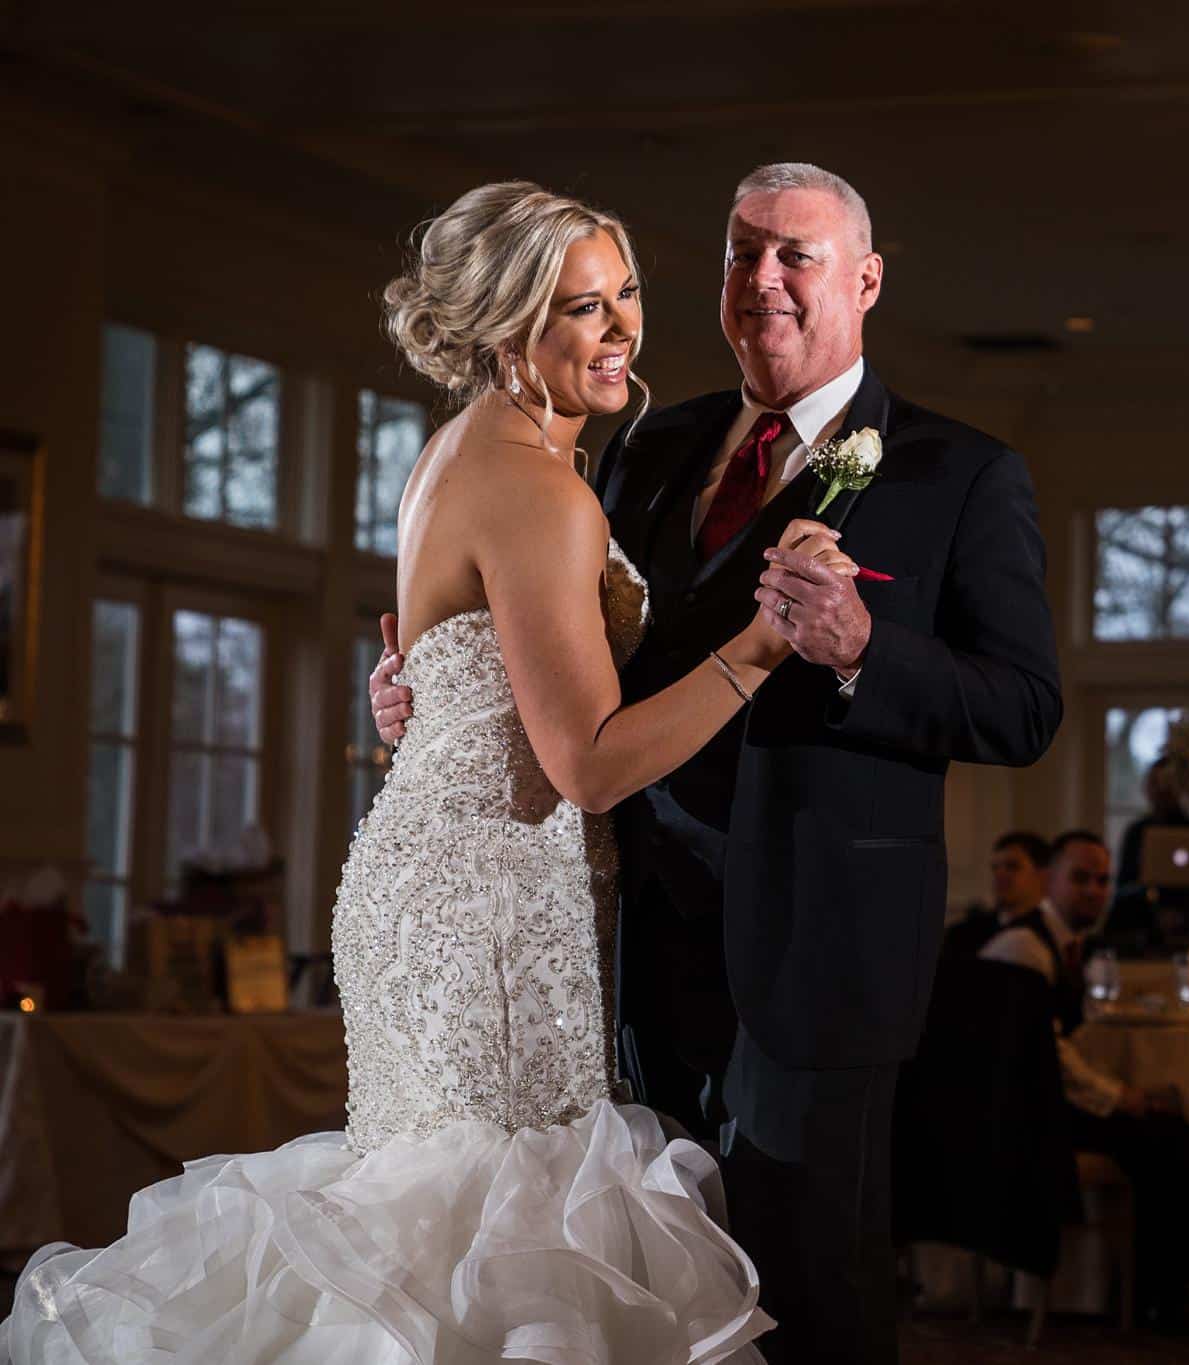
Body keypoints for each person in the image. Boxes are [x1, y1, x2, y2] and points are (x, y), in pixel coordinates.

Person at [4, 183, 864, 1361]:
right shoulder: (534, 485)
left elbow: (468, 679)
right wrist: (763, 645)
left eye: (627, 298)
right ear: (509, 329)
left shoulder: (463, 454)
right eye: (581, 309)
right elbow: (592, 766)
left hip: (441, 877)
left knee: (443, 1226)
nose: (621, 332)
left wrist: (420, 704)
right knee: (490, 1234)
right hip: (490, 908)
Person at [370, 164, 1062, 1365]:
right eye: (744, 256)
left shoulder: (959, 473)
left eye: (797, 254)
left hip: (822, 959)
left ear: (866, 280)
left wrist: (860, 651)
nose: (766, 281)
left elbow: (1022, 708)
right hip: (624, 949)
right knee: (649, 1296)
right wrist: (426, 694)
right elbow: (541, 639)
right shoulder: (639, 444)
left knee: (810, 1295)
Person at [981, 829, 1189, 1327]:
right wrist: (1122, 1099)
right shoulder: (1022, 947)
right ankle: (1162, 1296)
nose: (1095, 890)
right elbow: (1045, 1054)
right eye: (1081, 878)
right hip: (1023, 1117)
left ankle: (1155, 1291)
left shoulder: (1066, 946)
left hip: (1046, 1103)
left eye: (1102, 880)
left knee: (1174, 1132)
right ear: (1050, 879)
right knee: (1173, 1141)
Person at [1105, 759, 1189, 946]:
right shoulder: (1136, 832)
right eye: (1155, 783)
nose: (1161, 790)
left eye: (1166, 784)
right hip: (1134, 927)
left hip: (1181, 930)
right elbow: (1124, 883)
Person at [943, 830, 1051, 961]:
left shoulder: (1051, 934)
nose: (999, 875)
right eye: (995, 868)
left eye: (1012, 866)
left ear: (1042, 875)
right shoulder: (963, 934)